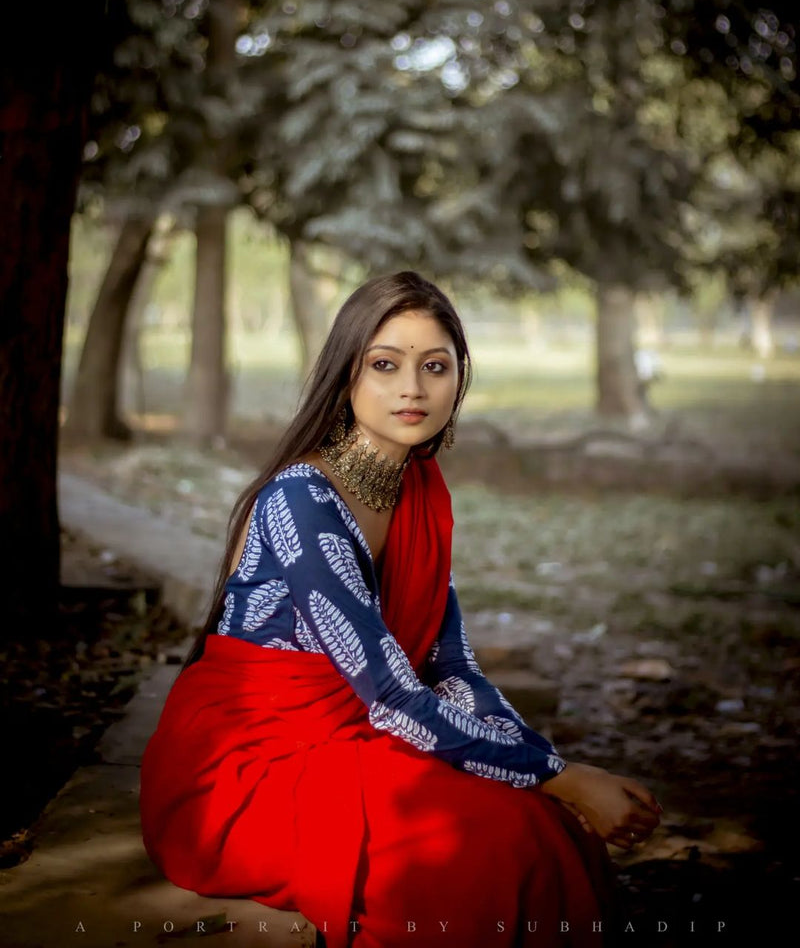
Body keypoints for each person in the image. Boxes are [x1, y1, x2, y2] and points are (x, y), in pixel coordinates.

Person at [140, 271, 662, 948]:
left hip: (354, 731)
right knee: (495, 841)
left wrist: (544, 763)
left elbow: (452, 667)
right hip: (248, 769)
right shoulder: (302, 499)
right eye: (385, 365)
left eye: (435, 367)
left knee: (538, 818)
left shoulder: (419, 489)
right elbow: (390, 693)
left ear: (459, 380)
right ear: (346, 375)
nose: (412, 388)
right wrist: (564, 778)